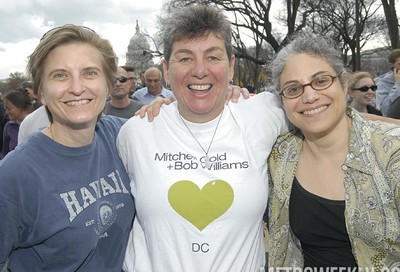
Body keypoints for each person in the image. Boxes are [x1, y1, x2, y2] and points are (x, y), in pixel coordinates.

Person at [117, 5, 287, 272]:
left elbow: (325, 114)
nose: (199, 70)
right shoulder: (136, 132)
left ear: (231, 66)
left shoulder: (262, 114)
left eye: (213, 57)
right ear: (166, 69)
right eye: (185, 58)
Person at [0, 24, 135, 271]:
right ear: (40, 92)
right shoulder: (14, 175)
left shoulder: (124, 136)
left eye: (90, 73)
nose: (76, 87)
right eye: (60, 75)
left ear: (107, 85)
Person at [267, 32, 400, 269]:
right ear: (282, 100)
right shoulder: (278, 156)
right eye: (293, 88)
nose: (309, 96)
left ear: (344, 83)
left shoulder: (391, 154)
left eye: (320, 81)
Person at [2, 89, 33, 157]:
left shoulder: (37, 122)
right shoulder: (9, 126)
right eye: (5, 109)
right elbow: (5, 153)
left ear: (21, 106)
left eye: (9, 109)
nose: (6, 112)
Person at [375, 48, 400, 116]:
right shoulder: (382, 84)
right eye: (399, 64)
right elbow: (384, 110)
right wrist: (397, 85)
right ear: (392, 65)